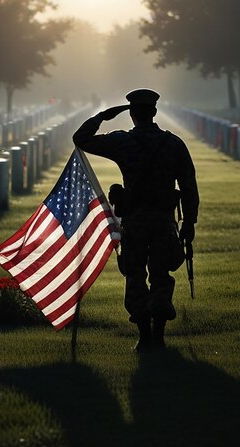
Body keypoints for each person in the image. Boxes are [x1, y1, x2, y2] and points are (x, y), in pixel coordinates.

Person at [73, 88, 199, 352]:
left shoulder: (123, 142)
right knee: (161, 275)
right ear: (154, 112)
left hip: (135, 221)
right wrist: (189, 223)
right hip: (164, 221)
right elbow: (189, 187)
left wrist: (103, 116)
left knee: (135, 275)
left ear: (131, 114)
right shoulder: (174, 144)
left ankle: (143, 336)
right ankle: (159, 336)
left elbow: (81, 138)